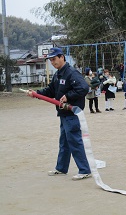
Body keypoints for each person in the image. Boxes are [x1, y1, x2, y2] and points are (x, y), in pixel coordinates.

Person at [27, 47, 92, 181]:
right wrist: (36, 93)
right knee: (64, 142)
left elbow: (84, 88)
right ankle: (61, 168)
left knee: (74, 141)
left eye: (54, 59)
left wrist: (68, 96)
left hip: (72, 113)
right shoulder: (58, 74)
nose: (52, 62)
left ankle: (85, 170)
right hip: (63, 114)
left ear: (62, 57)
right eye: (50, 60)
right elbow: (51, 90)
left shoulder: (71, 73)